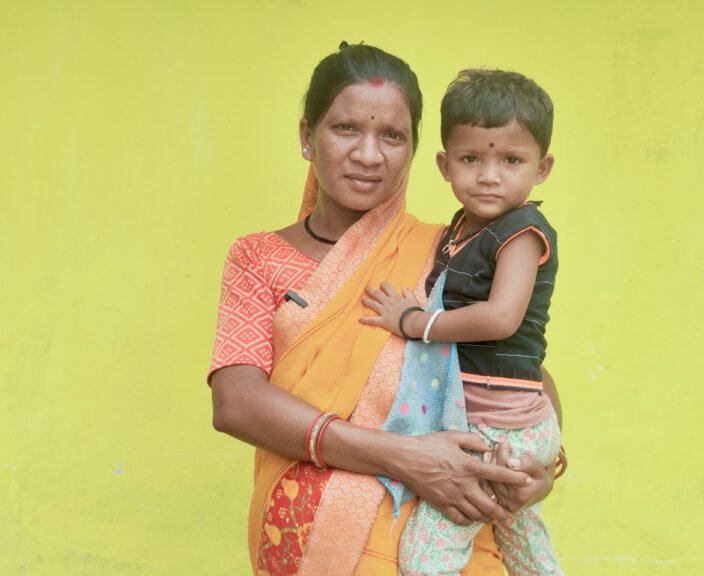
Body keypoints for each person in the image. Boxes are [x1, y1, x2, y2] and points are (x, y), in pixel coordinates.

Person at [208, 43, 559, 576]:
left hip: (446, 532)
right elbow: (236, 404)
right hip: (308, 540)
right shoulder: (258, 257)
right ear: (308, 137)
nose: (369, 155)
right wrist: (406, 457)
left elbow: (519, 365)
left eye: (392, 136)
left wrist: (544, 467)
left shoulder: (450, 250)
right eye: (346, 128)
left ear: (417, 151)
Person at [361, 69, 565, 575]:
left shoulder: (522, 232)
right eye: (472, 158)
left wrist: (415, 323)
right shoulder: (459, 230)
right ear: (444, 164)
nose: (489, 175)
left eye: (511, 160)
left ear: (542, 168)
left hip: (500, 428)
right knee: (525, 548)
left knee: (426, 557)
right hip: (498, 420)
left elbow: (499, 318)